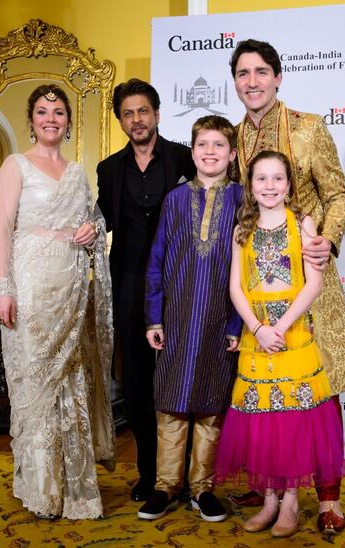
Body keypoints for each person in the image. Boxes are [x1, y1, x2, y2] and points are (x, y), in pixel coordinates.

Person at [227, 38, 345, 534]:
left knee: (319, 391)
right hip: (262, 285)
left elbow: (338, 194)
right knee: (268, 391)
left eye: (262, 71)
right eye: (243, 73)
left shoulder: (309, 128)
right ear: (236, 82)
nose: (253, 81)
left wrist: (327, 239)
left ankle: (329, 498)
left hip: (312, 281)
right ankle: (274, 486)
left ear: (279, 77)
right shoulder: (233, 137)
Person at [0, 85, 115, 520]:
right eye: (42, 112)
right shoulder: (15, 166)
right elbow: (2, 229)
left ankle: (75, 490)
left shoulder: (79, 173)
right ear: (31, 120)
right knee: (36, 388)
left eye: (58, 112)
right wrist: (1, 288)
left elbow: (92, 225)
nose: (50, 118)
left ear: (67, 121)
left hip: (71, 292)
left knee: (69, 386)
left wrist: (91, 233)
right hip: (30, 289)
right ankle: (41, 490)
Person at [214, 151, 345, 538]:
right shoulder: (244, 227)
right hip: (257, 337)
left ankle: (290, 501)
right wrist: (257, 328)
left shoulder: (302, 222)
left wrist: (282, 325)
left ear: (290, 184)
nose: (270, 186)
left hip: (293, 335)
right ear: (250, 186)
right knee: (263, 419)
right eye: (261, 179)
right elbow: (235, 287)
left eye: (277, 179)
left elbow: (314, 283)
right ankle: (269, 499)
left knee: (292, 419)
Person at [96, 79, 197, 502]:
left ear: (156, 113)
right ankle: (149, 473)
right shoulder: (109, 169)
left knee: (178, 378)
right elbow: (100, 223)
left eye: (143, 111)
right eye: (127, 113)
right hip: (130, 285)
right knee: (137, 383)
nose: (136, 119)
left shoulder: (184, 158)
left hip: (180, 284)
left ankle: (187, 476)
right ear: (120, 121)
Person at [137, 116, 242, 522]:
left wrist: (236, 325)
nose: (210, 151)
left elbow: (247, 269)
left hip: (220, 318)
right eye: (203, 144)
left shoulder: (242, 200)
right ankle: (166, 487)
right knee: (171, 402)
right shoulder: (175, 200)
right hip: (177, 319)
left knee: (211, 404)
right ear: (192, 150)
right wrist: (153, 318)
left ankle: (202, 488)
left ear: (232, 155)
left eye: (219, 145)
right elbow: (156, 261)